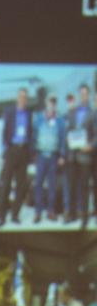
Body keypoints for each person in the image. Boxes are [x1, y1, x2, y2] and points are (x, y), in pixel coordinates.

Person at [0, 88, 32, 227]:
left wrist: (29, 151)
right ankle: (1, 217)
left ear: (26, 99)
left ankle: (15, 215)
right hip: (12, 150)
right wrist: (5, 150)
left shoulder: (29, 114)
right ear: (17, 98)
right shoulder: (10, 112)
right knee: (6, 185)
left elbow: (30, 132)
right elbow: (4, 131)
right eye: (21, 97)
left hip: (23, 151)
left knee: (20, 185)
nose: (23, 99)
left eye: (25, 97)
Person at [32, 96, 66, 223]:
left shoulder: (60, 121)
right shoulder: (39, 119)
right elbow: (33, 135)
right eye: (49, 103)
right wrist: (34, 153)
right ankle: (37, 212)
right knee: (38, 184)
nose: (51, 105)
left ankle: (51, 211)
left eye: (53, 103)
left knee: (52, 185)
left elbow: (63, 139)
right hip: (40, 156)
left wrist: (62, 155)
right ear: (46, 104)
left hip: (53, 157)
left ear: (55, 105)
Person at [66, 85, 93, 228]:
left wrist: (90, 146)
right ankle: (72, 215)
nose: (83, 96)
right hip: (72, 155)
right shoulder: (72, 112)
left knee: (83, 187)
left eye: (85, 94)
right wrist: (67, 140)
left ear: (88, 96)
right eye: (81, 94)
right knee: (71, 186)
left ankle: (84, 217)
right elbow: (68, 130)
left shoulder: (93, 113)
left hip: (84, 155)